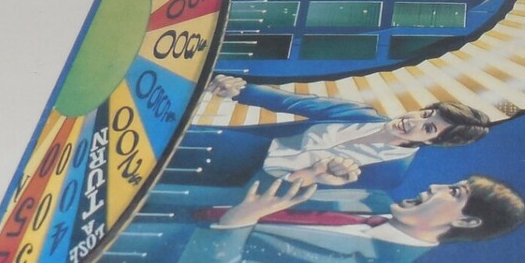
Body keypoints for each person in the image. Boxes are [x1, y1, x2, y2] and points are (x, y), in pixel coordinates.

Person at [112, 162, 525, 263]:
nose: (435, 186)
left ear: (467, 223)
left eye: (454, 193)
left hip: (141, 255)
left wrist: (238, 222)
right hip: (153, 193)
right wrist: (307, 174)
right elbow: (256, 189)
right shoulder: (370, 197)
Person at [168, 75, 490, 190]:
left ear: (433, 142)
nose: (414, 121)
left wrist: (318, 179)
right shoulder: (361, 114)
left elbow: (315, 199)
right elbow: (292, 101)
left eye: (428, 127)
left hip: (255, 183)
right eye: (425, 114)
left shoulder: (391, 173)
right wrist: (240, 90)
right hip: (243, 146)